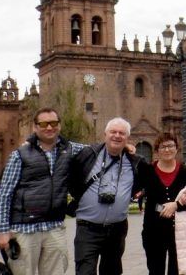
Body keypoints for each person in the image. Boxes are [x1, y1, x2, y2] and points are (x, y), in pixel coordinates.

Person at [0, 107, 82, 275]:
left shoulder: (69, 149)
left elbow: (97, 150)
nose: (49, 127)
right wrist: (2, 231)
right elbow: (5, 194)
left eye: (54, 123)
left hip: (54, 226)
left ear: (60, 126)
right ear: (35, 127)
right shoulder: (20, 154)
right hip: (24, 229)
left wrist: (125, 146)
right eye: (43, 124)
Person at [68, 117, 150, 275]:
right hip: (87, 228)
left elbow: (158, 173)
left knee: (112, 271)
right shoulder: (88, 153)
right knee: (85, 271)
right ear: (105, 134)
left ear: (127, 138)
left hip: (116, 230)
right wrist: (32, 143)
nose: (117, 136)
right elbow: (61, 147)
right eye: (113, 132)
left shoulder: (136, 162)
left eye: (122, 133)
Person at [142, 132, 186, 275]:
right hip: (153, 231)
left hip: (178, 232)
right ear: (157, 151)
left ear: (177, 149)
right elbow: (149, 203)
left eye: (171, 146)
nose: (167, 150)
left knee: (176, 271)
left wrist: (176, 205)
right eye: (163, 147)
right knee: (155, 270)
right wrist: (164, 208)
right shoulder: (148, 171)